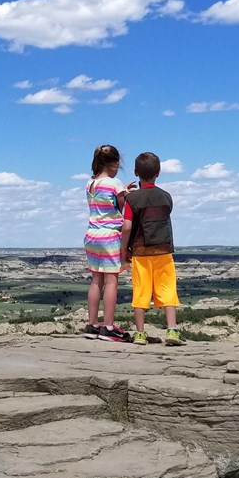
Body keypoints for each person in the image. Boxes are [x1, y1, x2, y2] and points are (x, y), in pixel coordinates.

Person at [121, 152, 185, 346]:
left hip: (140, 252)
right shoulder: (166, 197)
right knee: (168, 289)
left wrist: (125, 249)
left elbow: (127, 227)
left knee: (140, 291)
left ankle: (140, 333)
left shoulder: (133, 200)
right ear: (158, 172)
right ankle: (172, 331)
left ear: (135, 172)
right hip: (164, 250)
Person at [83, 144, 136, 342]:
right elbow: (121, 207)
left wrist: (123, 191)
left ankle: (92, 324)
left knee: (96, 280)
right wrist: (126, 194)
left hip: (92, 235)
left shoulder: (90, 184)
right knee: (111, 280)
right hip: (110, 235)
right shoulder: (115, 183)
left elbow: (104, 203)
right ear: (114, 163)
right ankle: (109, 327)